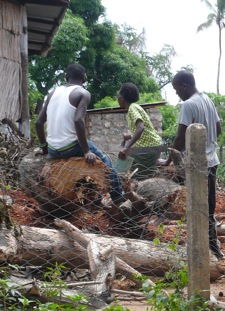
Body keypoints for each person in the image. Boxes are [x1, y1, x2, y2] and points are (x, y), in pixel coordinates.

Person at [35, 63, 125, 205]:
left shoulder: (52, 93)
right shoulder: (83, 93)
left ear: (66, 77)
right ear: (84, 79)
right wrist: (86, 151)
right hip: (71, 147)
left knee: (87, 164)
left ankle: (96, 200)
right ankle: (118, 196)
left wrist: (45, 149)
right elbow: (78, 120)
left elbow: (38, 123)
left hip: (53, 150)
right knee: (103, 159)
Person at [167, 70, 224, 259]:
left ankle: (206, 250)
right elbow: (218, 129)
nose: (177, 93)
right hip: (212, 160)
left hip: (198, 165)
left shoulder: (189, 104)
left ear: (184, 86)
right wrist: (209, 144)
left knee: (198, 207)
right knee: (209, 206)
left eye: (176, 89)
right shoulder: (207, 99)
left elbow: (179, 137)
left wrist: (169, 160)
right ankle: (212, 248)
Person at [116, 82, 163, 179]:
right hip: (153, 145)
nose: (117, 97)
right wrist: (129, 136)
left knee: (131, 174)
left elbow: (141, 128)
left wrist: (126, 148)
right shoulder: (135, 107)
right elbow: (143, 129)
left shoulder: (132, 109)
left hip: (148, 147)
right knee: (143, 174)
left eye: (119, 94)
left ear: (123, 97)